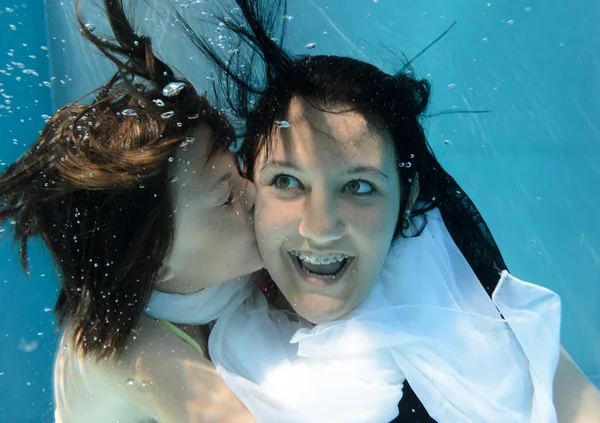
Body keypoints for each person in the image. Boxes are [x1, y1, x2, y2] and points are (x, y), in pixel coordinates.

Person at [182, 0, 600, 421]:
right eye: (287, 182)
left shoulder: (485, 322)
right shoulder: (201, 308)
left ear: (406, 201)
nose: (320, 228)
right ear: (250, 185)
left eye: (359, 187)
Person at [0, 1, 260, 421]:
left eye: (240, 169)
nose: (256, 193)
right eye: (227, 197)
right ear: (154, 261)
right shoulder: (132, 351)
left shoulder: (199, 263)